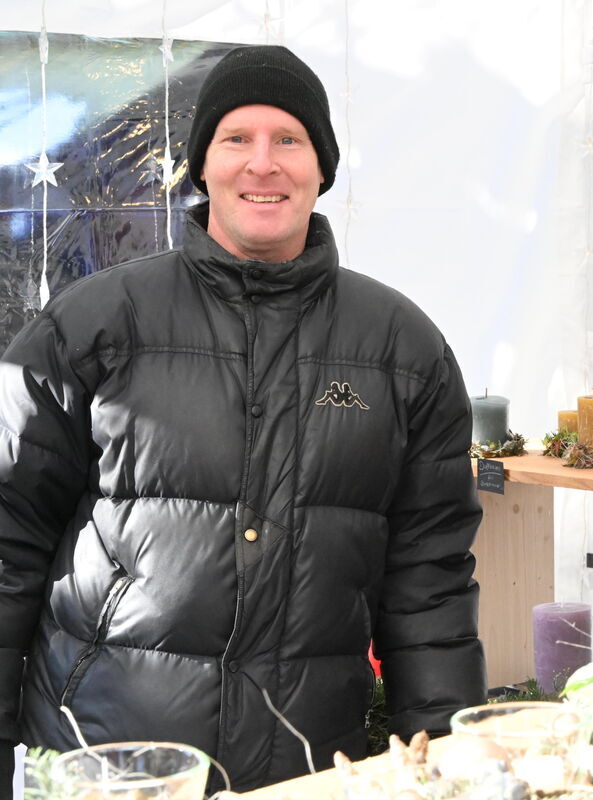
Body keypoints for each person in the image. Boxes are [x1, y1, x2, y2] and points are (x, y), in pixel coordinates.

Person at [0, 45, 485, 794]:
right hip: (102, 760)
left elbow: (430, 580)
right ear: (202, 165)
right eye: (237, 139)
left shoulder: (403, 350)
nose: (263, 164)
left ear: (321, 168)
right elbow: (9, 541)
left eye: (288, 139)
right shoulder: (93, 325)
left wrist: (449, 764)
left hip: (305, 767)